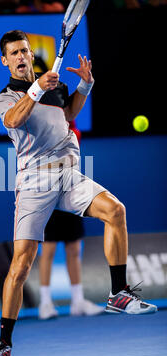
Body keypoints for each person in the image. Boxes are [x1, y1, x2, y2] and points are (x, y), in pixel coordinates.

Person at [0, 29, 157, 356]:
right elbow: (13, 120)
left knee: (115, 211)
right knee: (20, 264)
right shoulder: (6, 96)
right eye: (13, 53)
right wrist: (37, 88)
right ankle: (3, 344)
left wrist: (85, 86)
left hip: (68, 173)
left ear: (31, 55)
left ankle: (118, 292)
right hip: (34, 181)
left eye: (24, 51)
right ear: (5, 61)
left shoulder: (55, 87)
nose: (19, 57)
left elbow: (69, 114)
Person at [38, 121, 103, 319]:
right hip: (48, 194)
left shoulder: (73, 131)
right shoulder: (41, 127)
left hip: (69, 193)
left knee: (74, 249)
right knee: (47, 250)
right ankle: (45, 303)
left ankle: (78, 301)